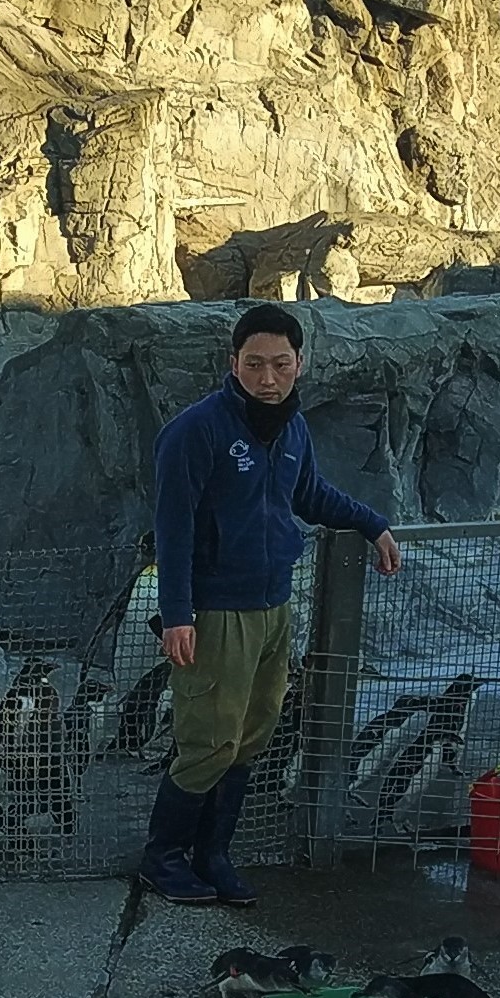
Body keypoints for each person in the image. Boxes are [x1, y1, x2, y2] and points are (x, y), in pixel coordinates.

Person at [141, 302, 402, 906]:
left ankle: (213, 855)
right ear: (233, 362)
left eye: (280, 364)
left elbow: (307, 493)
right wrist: (177, 613)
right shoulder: (195, 430)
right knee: (209, 738)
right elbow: (173, 526)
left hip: (273, 604)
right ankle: (163, 858)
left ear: (299, 365)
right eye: (255, 364)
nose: (267, 378)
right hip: (216, 610)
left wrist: (372, 523)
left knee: (251, 734)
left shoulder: (292, 427)